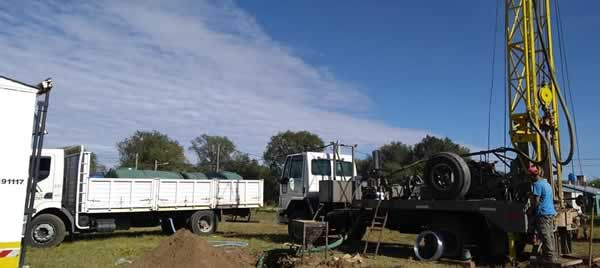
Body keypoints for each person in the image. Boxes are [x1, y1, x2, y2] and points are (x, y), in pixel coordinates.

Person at [527, 165, 558, 263]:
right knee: (550, 234)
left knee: (545, 235)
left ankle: (549, 257)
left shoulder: (537, 184)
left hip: (543, 213)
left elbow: (536, 201)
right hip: (550, 212)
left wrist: (530, 210)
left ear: (532, 176)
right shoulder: (546, 183)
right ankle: (552, 255)